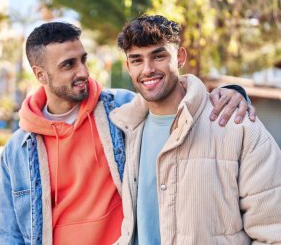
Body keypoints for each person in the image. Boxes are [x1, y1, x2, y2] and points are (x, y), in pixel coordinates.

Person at [0, 22, 253, 245]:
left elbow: (178, 101)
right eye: (68, 65)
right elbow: (9, 235)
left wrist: (233, 92)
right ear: (40, 74)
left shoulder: (122, 109)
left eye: (83, 60)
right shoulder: (17, 150)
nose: (83, 72)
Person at [111, 15, 281, 245]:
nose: (148, 69)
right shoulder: (123, 130)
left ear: (180, 57)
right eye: (137, 60)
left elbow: (273, 231)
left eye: (159, 56)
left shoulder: (237, 125)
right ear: (128, 66)